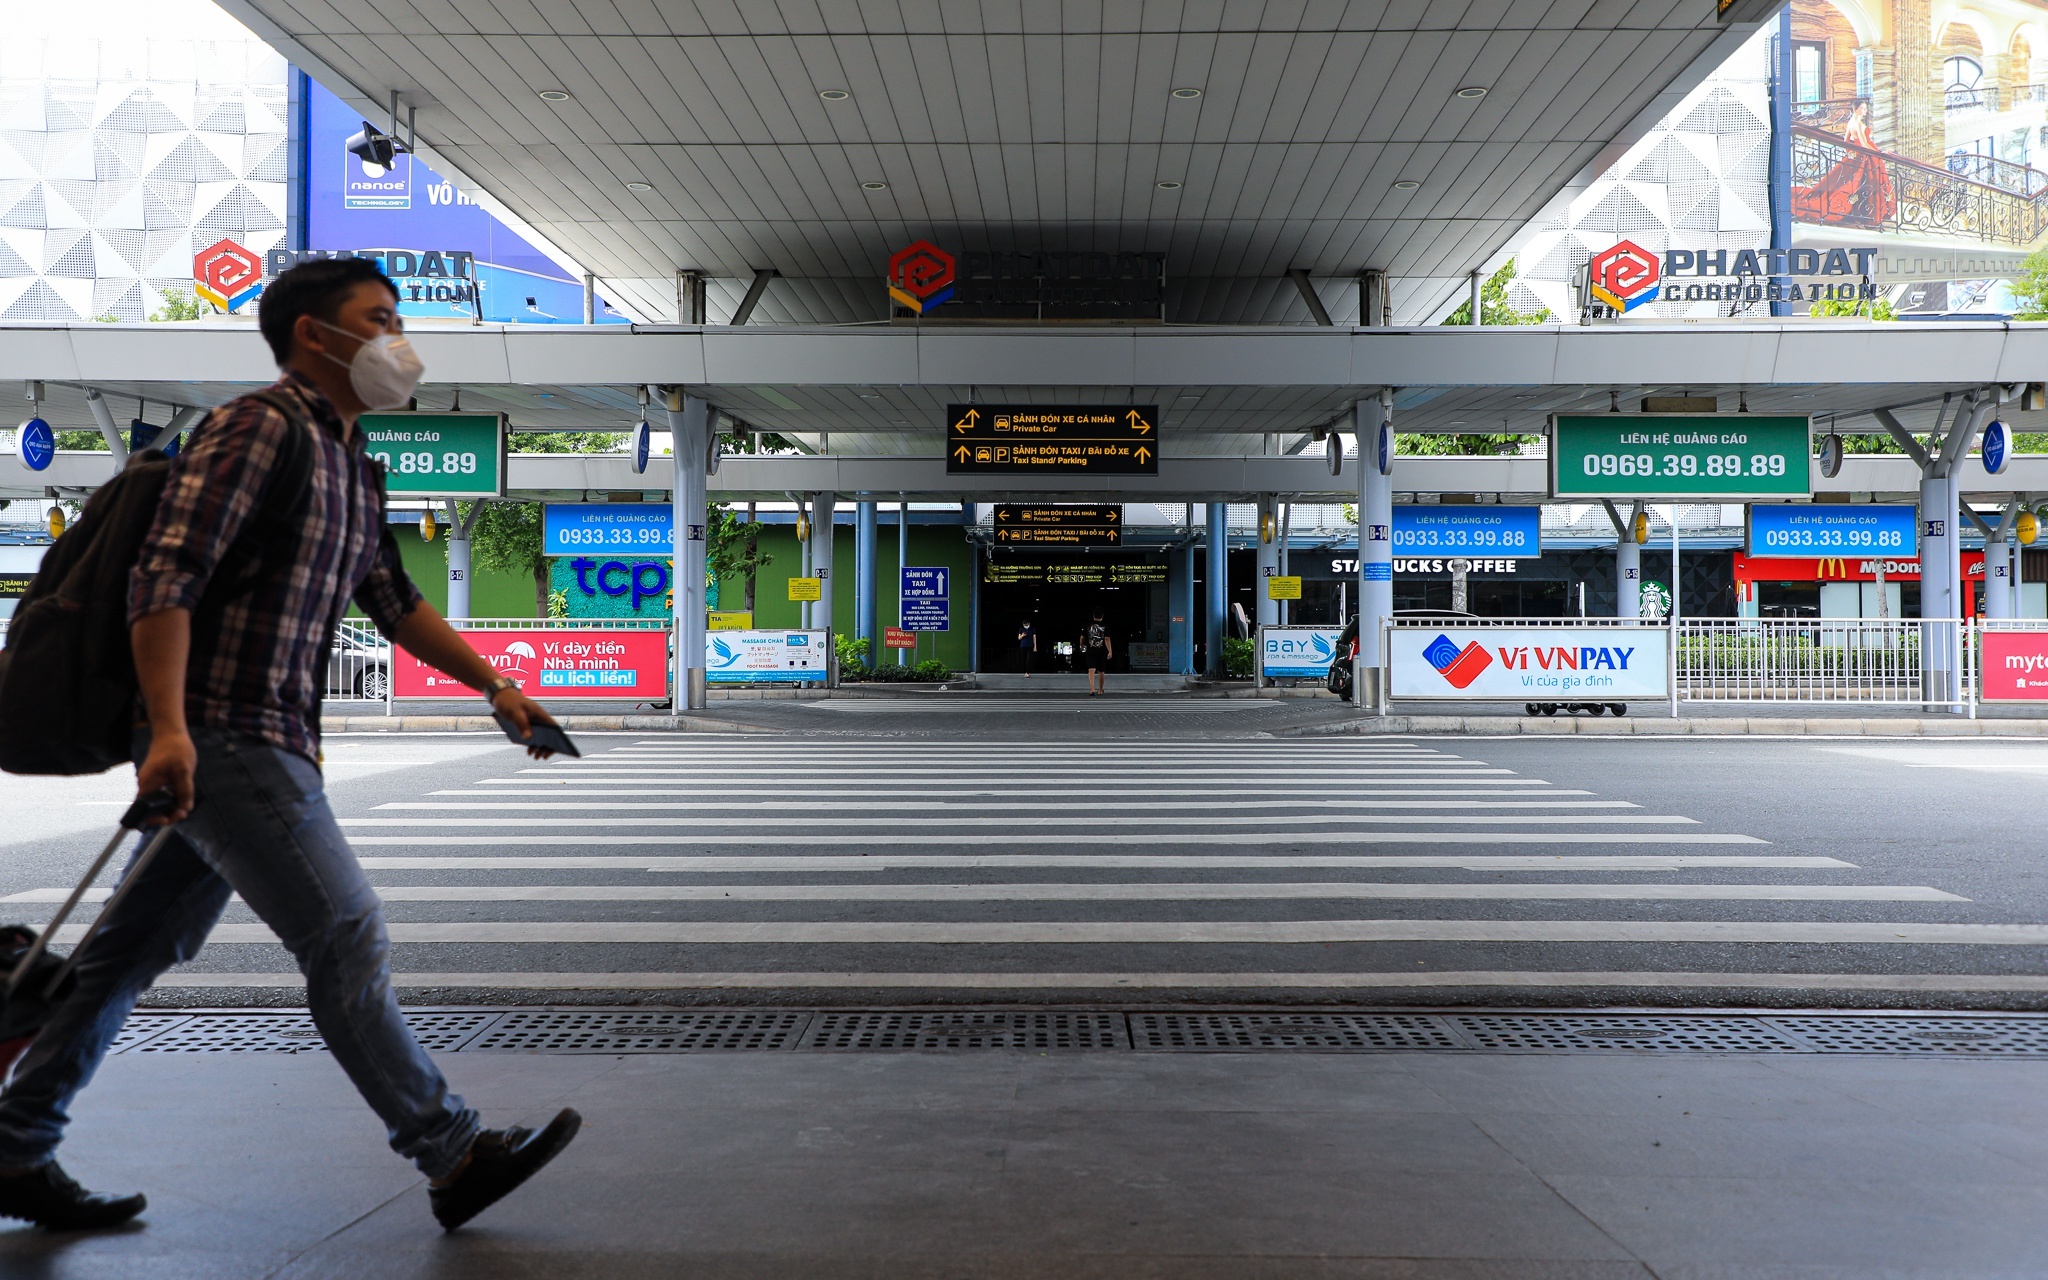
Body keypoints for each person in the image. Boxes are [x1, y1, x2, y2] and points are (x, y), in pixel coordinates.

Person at [0, 258, 580, 1234]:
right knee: (343, 928)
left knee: (129, 949)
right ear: (317, 334)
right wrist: (171, 728)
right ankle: (451, 1149)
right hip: (226, 733)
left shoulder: (352, 461)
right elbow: (165, 577)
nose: (399, 338)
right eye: (380, 317)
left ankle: (14, 1144)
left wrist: (497, 686)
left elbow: (393, 600)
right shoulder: (255, 428)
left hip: (263, 733)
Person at [1081, 612, 1113, 695]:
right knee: (1101, 671)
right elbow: (1107, 639)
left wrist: (1081, 645)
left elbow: (1082, 637)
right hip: (1102, 651)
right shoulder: (1105, 626)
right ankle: (1100, 690)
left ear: (1093, 616)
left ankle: (1092, 689)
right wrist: (1110, 651)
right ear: (1102, 616)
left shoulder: (1088, 625)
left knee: (1091, 669)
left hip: (1091, 650)